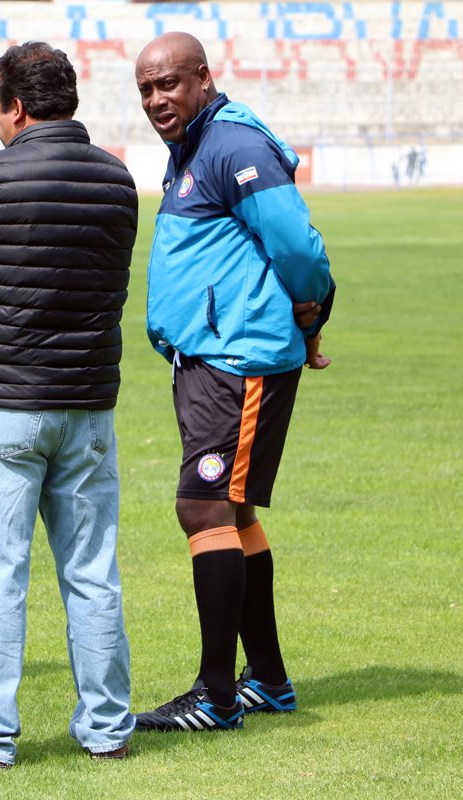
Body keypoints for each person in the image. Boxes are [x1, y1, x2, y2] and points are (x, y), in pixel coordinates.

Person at [0, 41, 138, 768]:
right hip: (89, 404)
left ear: (15, 107)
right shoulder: (120, 179)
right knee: (93, 573)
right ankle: (108, 729)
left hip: (5, 402)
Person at [131, 32, 335, 732]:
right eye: (146, 89)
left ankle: (215, 696)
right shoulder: (193, 147)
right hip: (209, 357)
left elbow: (296, 243)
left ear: (203, 77)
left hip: (238, 359)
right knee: (233, 511)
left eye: (169, 83)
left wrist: (313, 308)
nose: (157, 99)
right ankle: (268, 681)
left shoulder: (233, 144)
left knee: (203, 508)